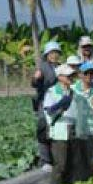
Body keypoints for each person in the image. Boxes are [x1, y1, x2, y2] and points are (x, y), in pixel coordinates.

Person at [43, 64, 79, 184]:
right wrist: (59, 106)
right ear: (60, 77)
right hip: (59, 131)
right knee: (60, 165)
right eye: (68, 75)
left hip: (72, 130)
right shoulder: (52, 91)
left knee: (71, 164)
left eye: (72, 75)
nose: (71, 78)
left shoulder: (72, 92)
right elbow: (48, 112)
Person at [32, 41, 62, 171]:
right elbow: (34, 83)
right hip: (44, 103)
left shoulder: (61, 67)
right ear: (47, 55)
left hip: (58, 103)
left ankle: (56, 158)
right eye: (52, 53)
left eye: (56, 53)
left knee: (57, 131)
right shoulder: (43, 67)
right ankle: (45, 160)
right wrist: (35, 78)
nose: (54, 55)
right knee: (44, 130)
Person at [73, 62, 93, 180]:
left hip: (91, 130)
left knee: (91, 160)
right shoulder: (73, 89)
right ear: (80, 74)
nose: (89, 76)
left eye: (91, 73)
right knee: (77, 160)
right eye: (86, 73)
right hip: (76, 130)